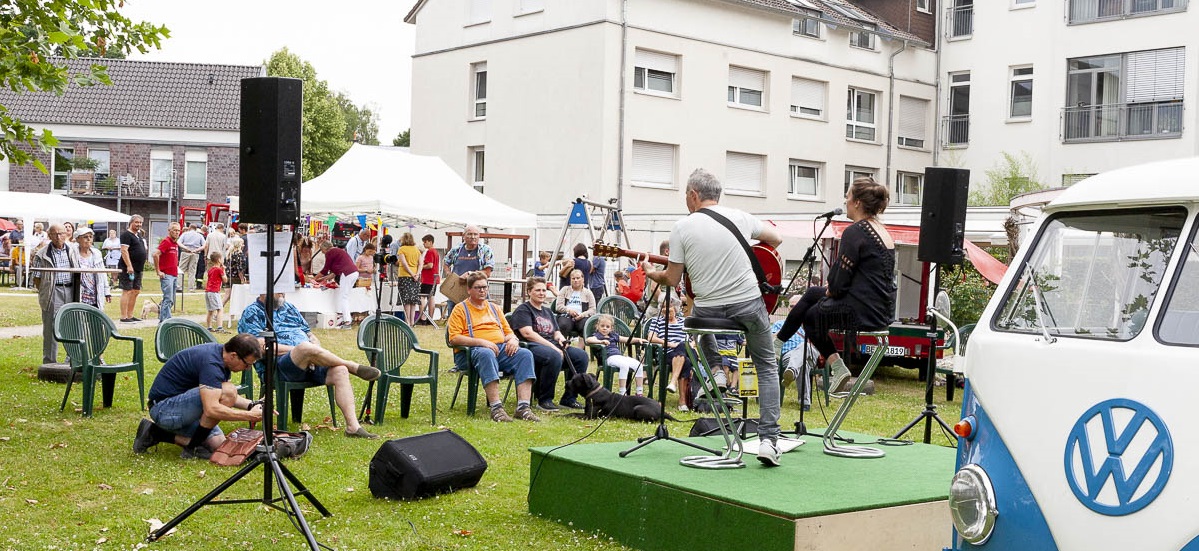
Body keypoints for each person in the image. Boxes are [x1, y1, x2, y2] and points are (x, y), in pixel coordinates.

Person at [642, 168, 784, 467]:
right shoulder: (741, 217)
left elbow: (671, 277)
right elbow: (776, 239)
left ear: (694, 195)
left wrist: (650, 273)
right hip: (747, 304)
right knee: (767, 367)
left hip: (709, 310)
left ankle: (717, 368)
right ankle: (769, 440)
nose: (685, 201)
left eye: (685, 195)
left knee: (693, 322)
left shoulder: (682, 227)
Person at [776, 177, 896, 395]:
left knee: (812, 316)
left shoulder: (855, 231)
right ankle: (778, 344)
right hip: (879, 309)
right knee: (813, 292)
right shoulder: (881, 230)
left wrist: (832, 289)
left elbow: (839, 282)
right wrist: (832, 289)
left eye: (848, 196)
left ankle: (835, 366)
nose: (846, 201)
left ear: (858, 202)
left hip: (861, 311)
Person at [238, 293, 382, 438]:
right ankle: (352, 366)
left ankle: (353, 427)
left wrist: (314, 349)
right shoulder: (252, 312)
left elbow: (311, 335)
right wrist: (302, 351)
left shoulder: (289, 308)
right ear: (264, 290)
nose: (283, 293)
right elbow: (259, 347)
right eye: (279, 289)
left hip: (310, 362)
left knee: (340, 370)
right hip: (278, 367)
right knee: (304, 348)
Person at [134, 334, 266, 459]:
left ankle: (155, 432)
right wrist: (249, 416)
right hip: (164, 409)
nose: (248, 368)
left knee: (218, 445)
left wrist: (252, 405)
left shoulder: (220, 356)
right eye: (247, 364)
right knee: (229, 390)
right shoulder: (211, 363)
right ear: (233, 355)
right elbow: (212, 409)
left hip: (181, 408)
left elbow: (215, 393)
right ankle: (192, 447)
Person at [447, 271, 540, 422]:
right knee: (486, 353)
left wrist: (513, 341)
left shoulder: (494, 308)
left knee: (525, 355)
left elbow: (509, 332)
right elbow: (454, 338)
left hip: (499, 349)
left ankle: (523, 407)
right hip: (470, 354)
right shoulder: (460, 309)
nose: (482, 290)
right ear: (469, 290)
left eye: (484, 287)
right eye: (478, 287)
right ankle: (496, 408)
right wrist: (482, 342)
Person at [511, 276, 589, 410]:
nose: (542, 293)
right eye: (538, 290)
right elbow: (528, 334)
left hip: (551, 345)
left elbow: (556, 331)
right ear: (529, 291)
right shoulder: (523, 310)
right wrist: (554, 347)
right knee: (553, 355)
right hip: (531, 347)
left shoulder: (547, 311)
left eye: (543, 290)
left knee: (581, 356)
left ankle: (569, 398)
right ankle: (545, 400)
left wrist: (561, 339)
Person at [32, 224, 80, 364]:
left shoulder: (72, 250)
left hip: (71, 290)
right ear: (49, 235)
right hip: (52, 292)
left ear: (66, 234)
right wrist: (46, 291)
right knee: (51, 327)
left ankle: (72, 359)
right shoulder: (42, 254)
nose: (58, 237)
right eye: (55, 234)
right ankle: (49, 361)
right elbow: (37, 278)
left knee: (71, 325)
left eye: (61, 233)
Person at [646, 300, 692, 411]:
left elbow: (694, 338)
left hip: (688, 350)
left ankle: (673, 382)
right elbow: (651, 338)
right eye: (662, 308)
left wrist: (689, 344)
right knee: (686, 362)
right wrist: (671, 344)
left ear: (675, 308)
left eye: (668, 307)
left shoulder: (684, 321)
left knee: (682, 346)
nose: (665, 310)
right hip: (668, 353)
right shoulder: (657, 321)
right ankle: (682, 402)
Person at [586, 314, 647, 396]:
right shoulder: (598, 336)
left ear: (611, 328)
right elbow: (588, 340)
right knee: (624, 365)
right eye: (602, 326)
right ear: (597, 326)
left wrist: (638, 339)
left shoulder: (613, 335)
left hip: (619, 357)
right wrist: (601, 341)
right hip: (609, 358)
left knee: (639, 365)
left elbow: (626, 339)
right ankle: (622, 393)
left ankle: (639, 392)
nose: (604, 328)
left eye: (607, 327)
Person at [772, 317, 818, 411]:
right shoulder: (780, 323)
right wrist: (783, 331)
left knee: (803, 346)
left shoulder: (808, 325)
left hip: (810, 355)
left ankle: (792, 371)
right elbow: (771, 339)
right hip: (788, 356)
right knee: (802, 364)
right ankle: (805, 403)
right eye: (792, 306)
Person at [316, 241, 359, 328]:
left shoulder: (330, 252)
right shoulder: (338, 251)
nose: (322, 252)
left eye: (322, 250)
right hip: (353, 272)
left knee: (344, 297)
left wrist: (315, 279)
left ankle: (347, 321)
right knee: (346, 296)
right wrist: (322, 279)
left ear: (325, 248)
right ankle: (345, 318)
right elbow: (334, 273)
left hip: (347, 274)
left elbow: (325, 269)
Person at [117, 215, 148, 322]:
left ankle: (130, 315)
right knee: (127, 290)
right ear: (131, 222)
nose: (139, 224)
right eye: (136, 222)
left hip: (138, 268)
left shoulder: (139, 236)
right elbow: (124, 251)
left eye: (140, 222)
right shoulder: (126, 235)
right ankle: (123, 316)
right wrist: (129, 266)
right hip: (128, 268)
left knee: (136, 291)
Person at [73, 227, 111, 309]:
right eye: (85, 237)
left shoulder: (97, 253)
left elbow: (102, 273)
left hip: (95, 295)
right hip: (80, 295)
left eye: (90, 237)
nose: (88, 239)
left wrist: (107, 292)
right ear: (78, 239)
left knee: (96, 320)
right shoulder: (73, 254)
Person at [553, 268, 595, 340]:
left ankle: (580, 349)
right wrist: (569, 310)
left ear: (583, 279)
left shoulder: (588, 293)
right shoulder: (565, 290)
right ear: (570, 280)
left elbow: (593, 309)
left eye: (578, 278)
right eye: (573, 278)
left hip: (581, 316)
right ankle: (562, 346)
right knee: (563, 325)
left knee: (585, 325)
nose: (575, 280)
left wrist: (583, 315)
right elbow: (558, 306)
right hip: (566, 315)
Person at [152, 222, 181, 322]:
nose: (177, 232)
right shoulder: (166, 242)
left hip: (174, 274)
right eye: (175, 230)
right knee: (168, 298)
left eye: (178, 230)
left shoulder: (175, 243)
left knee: (171, 299)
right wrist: (158, 271)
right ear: (169, 231)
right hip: (167, 274)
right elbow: (156, 254)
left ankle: (163, 319)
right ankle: (166, 321)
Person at [392, 232, 421, 324]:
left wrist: (411, 274)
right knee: (413, 300)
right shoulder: (416, 249)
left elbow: (403, 263)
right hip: (416, 276)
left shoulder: (402, 249)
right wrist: (417, 274)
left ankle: (407, 320)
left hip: (404, 276)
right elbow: (420, 263)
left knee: (406, 300)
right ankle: (412, 321)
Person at [419, 234, 440, 324]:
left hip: (428, 278)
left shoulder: (430, 251)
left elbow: (430, 265)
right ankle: (430, 318)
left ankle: (423, 318)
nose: (424, 244)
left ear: (430, 242)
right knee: (431, 297)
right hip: (434, 278)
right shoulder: (435, 251)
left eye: (425, 242)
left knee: (422, 297)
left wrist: (420, 267)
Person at [177, 224, 205, 290]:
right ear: (196, 229)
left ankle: (179, 286)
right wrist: (197, 250)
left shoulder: (185, 234)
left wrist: (185, 247)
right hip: (195, 253)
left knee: (181, 269)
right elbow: (204, 245)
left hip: (185, 252)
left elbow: (178, 242)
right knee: (192, 271)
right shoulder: (200, 235)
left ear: (189, 228)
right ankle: (191, 287)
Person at [205, 251, 226, 332]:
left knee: (210, 310)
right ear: (219, 260)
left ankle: (209, 327)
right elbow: (225, 280)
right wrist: (223, 270)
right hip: (214, 292)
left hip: (208, 291)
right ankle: (219, 327)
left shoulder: (211, 269)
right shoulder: (219, 270)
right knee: (220, 309)